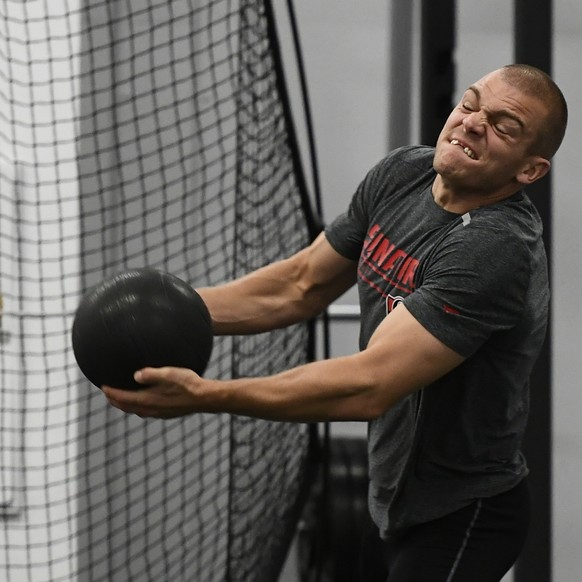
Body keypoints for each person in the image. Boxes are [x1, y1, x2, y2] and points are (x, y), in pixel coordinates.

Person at [102, 64, 568, 581]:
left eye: (504, 126)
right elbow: (301, 283)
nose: (472, 123)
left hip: (464, 514)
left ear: (530, 170)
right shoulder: (403, 174)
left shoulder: (494, 247)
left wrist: (206, 395)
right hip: (388, 497)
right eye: (469, 103)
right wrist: (161, 314)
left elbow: (368, 386)